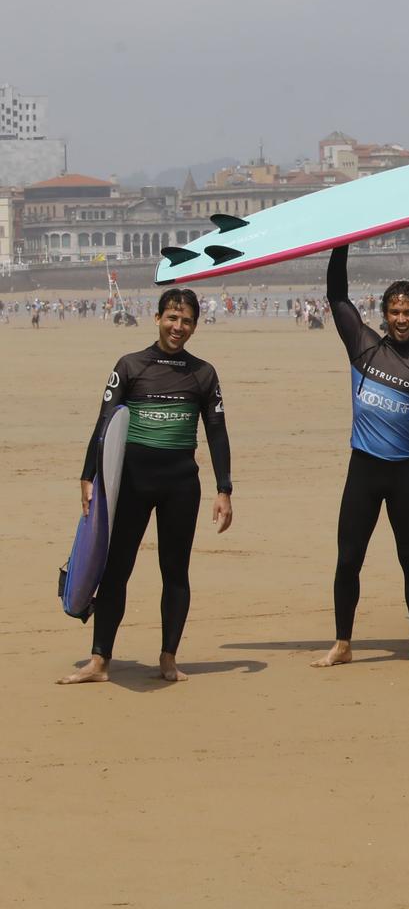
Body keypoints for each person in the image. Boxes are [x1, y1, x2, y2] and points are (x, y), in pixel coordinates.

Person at [61, 288, 233, 684]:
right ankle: (100, 660)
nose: (179, 327)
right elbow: (105, 424)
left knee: (175, 572)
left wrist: (224, 489)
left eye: (187, 320)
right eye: (172, 318)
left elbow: (217, 433)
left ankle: (168, 658)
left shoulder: (203, 373)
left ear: (195, 325)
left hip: (180, 486)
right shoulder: (131, 365)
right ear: (157, 318)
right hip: (132, 485)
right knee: (116, 569)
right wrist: (88, 477)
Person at [315, 246, 409, 669]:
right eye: (395, 311)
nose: (401, 318)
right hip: (362, 468)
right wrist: (343, 242)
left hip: (403, 473)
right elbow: (337, 296)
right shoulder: (362, 345)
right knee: (348, 559)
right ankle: (343, 643)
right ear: (384, 313)